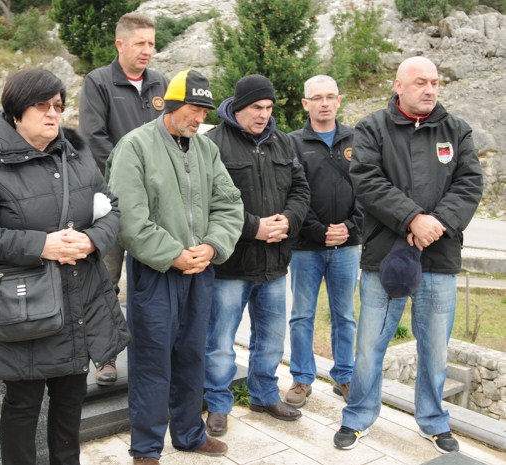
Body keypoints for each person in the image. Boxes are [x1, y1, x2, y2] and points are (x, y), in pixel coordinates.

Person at [0, 68, 129, 465]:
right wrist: (43, 245)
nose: (53, 114)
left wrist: (92, 239)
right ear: (16, 111)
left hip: (79, 299)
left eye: (58, 106)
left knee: (71, 399)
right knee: (23, 403)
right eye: (42, 106)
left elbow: (112, 209)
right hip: (25, 306)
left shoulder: (77, 155)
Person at [333, 56, 483, 453]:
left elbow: (470, 184)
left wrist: (438, 223)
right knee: (370, 345)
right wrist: (413, 218)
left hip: (439, 256)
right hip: (386, 256)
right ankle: (358, 415)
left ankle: (434, 420)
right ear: (398, 85)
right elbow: (367, 181)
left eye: (435, 82)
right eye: (421, 82)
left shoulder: (457, 130)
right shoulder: (372, 128)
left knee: (434, 349)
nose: (430, 89)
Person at [106, 69, 244, 465]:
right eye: (193, 109)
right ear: (170, 105)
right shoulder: (135, 147)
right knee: (152, 360)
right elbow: (129, 219)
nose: (200, 118)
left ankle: (188, 434)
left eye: (204, 111)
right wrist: (174, 254)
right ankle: (146, 448)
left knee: (192, 355)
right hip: (156, 273)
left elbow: (229, 204)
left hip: (200, 271)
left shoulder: (206, 150)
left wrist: (212, 246)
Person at [203, 74, 310, 436]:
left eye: (268, 108)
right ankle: (218, 404)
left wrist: (289, 220)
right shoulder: (212, 143)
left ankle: (264, 395)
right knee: (220, 342)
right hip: (231, 265)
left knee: (271, 338)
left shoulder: (283, 142)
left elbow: (300, 189)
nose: (264, 115)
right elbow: (207, 203)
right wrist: (254, 228)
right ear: (237, 107)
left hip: (274, 263)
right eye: (256, 108)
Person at [79, 12, 169, 385]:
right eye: (140, 43)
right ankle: (105, 358)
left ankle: (150, 356)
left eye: (151, 44)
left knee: (152, 281)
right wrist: (134, 175)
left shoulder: (161, 83)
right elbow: (93, 138)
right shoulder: (99, 82)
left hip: (155, 202)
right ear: (120, 44)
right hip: (111, 202)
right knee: (105, 280)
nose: (147, 50)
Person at [284, 75, 362, 408]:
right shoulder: (292, 143)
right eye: (317, 98)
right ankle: (302, 378)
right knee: (302, 315)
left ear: (339, 100)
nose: (325, 103)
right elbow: (291, 193)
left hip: (347, 246)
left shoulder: (358, 139)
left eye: (330, 96)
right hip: (306, 248)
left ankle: (344, 375)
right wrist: (318, 230)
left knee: (344, 315)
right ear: (306, 104)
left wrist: (350, 227)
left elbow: (368, 189)